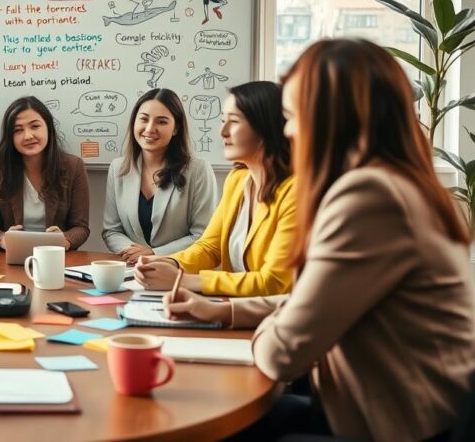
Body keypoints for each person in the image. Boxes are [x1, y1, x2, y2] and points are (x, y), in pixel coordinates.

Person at [164, 39, 475, 441]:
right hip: (398, 411)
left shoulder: (369, 197)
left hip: (392, 426)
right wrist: (224, 312)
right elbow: (318, 300)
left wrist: (253, 329)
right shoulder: (398, 183)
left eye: (292, 116)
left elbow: (284, 352)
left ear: (331, 120)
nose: (287, 131)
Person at [135, 81, 296, 296]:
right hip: (231, 305)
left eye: (234, 121)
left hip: (272, 312)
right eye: (222, 120)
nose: (223, 131)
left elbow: (275, 282)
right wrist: (168, 263)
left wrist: (183, 280)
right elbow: (210, 247)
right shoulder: (238, 180)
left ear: (266, 126)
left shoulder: (295, 192)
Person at [103, 88, 218, 260]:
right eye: (144, 119)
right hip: (130, 267)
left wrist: (154, 254)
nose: (150, 129)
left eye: (162, 122)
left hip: (178, 268)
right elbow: (112, 231)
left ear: (176, 128)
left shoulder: (199, 170)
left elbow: (203, 234)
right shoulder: (118, 168)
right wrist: (135, 253)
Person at [0, 96, 90, 250]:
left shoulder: (74, 167)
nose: (28, 136)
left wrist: (64, 240)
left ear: (48, 127)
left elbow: (81, 227)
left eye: (35, 126)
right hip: (12, 256)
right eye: (18, 130)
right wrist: (2, 239)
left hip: (55, 256)